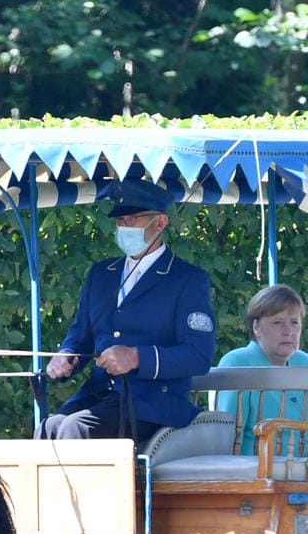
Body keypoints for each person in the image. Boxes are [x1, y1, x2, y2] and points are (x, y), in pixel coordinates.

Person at [40, 177, 217, 441]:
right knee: (47, 427)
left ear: (160, 222)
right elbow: (81, 336)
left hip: (154, 403)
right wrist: (66, 357)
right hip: (101, 395)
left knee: (73, 429)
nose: (124, 225)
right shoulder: (101, 274)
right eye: (120, 220)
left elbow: (198, 356)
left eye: (132, 219)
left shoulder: (187, 279)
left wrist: (136, 357)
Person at [215, 284, 308, 455]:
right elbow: (225, 439)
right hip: (256, 474)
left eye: (295, 322)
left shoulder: (304, 361)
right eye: (277, 322)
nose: (288, 331)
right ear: (256, 327)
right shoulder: (237, 362)